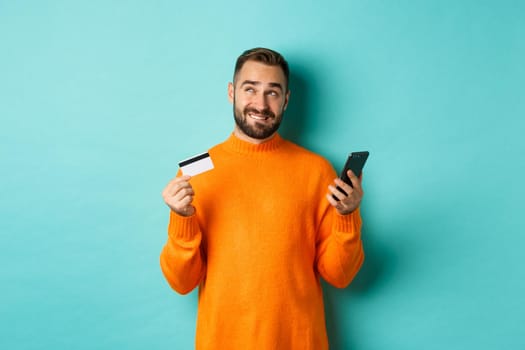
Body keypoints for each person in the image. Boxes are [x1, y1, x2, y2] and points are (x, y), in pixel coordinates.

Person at [160, 47, 365, 349]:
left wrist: (348, 217)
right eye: (250, 89)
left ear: (286, 100)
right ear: (232, 93)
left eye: (272, 92)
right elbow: (181, 283)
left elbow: (339, 276)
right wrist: (182, 219)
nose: (260, 103)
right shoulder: (196, 170)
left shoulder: (316, 169)